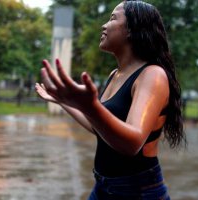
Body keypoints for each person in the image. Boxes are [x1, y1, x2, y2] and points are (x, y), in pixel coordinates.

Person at [35, 0, 185, 199]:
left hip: (136, 191)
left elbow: (132, 143)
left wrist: (91, 106)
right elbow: (98, 126)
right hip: (103, 186)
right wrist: (63, 101)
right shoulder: (115, 74)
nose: (104, 25)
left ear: (132, 29)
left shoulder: (152, 75)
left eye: (113, 18)